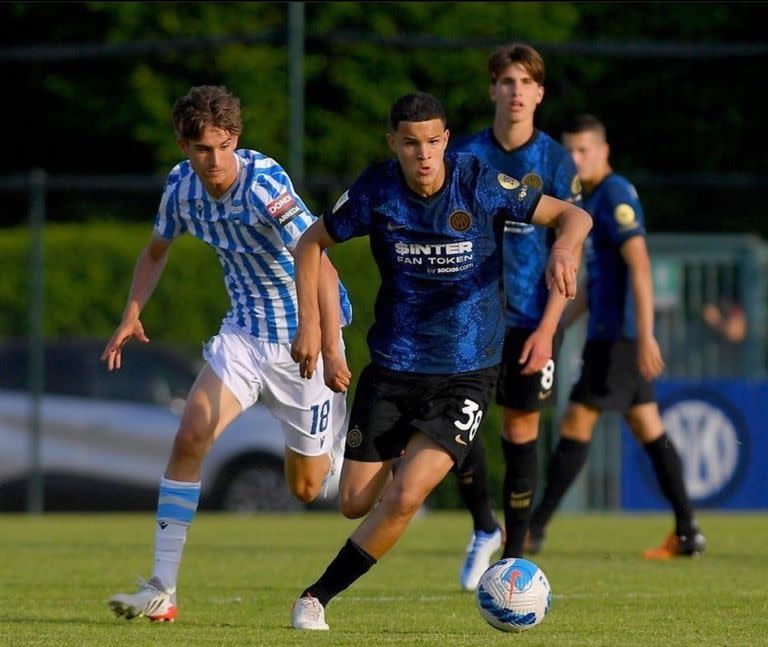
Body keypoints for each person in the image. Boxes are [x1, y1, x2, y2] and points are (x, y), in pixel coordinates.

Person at [288, 92, 592, 630]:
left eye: (432, 141)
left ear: (446, 140)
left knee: (404, 497)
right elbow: (310, 244)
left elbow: (572, 216)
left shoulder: (478, 181)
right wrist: (316, 329)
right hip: (393, 367)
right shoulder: (375, 190)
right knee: (355, 503)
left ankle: (315, 598)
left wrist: (563, 251)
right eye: (410, 143)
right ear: (393, 145)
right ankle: (415, 450)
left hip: (467, 371)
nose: (423, 154)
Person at [104, 85, 353, 623]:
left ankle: (347, 446)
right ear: (184, 147)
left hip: (300, 338)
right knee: (191, 433)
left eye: (223, 146)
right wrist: (132, 312)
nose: (214, 160)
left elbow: (322, 262)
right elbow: (153, 254)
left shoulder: (266, 183)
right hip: (242, 334)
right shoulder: (179, 190)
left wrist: (325, 341)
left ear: (235, 140)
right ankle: (162, 589)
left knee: (308, 488)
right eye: (201, 149)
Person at [525, 113, 706, 559]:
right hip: (610, 334)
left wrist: (645, 336)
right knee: (648, 427)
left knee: (576, 421)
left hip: (619, 338)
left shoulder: (615, 194)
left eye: (585, 150)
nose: (576, 158)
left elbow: (640, 265)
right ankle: (687, 531)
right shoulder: (588, 198)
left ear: (604, 152)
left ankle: (536, 528)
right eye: (569, 150)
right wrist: (560, 323)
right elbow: (597, 282)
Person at [448, 42, 583, 590]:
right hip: (470, 318)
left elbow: (569, 251)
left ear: (540, 93)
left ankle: (516, 559)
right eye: (507, 81)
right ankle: (484, 527)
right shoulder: (465, 155)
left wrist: (550, 330)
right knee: (455, 428)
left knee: (521, 429)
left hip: (531, 320)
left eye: (526, 83)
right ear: (493, 90)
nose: (516, 92)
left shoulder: (554, 160)